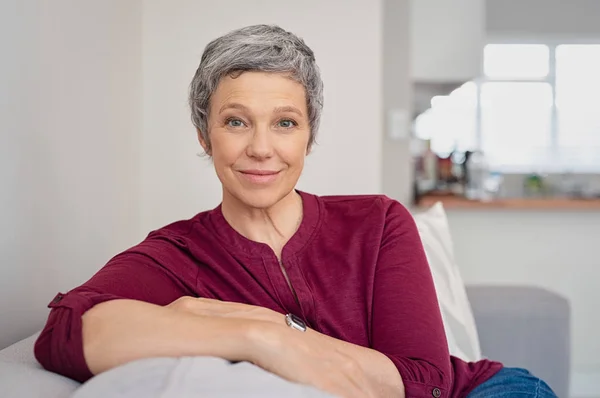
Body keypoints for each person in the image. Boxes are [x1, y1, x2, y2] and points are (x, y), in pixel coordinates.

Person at [34, 25, 557, 398]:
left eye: (285, 123)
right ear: (204, 134)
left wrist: (283, 335)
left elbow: (426, 382)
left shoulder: (378, 222)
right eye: (237, 122)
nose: (262, 148)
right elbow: (63, 334)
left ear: (310, 135)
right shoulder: (178, 254)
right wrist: (257, 336)